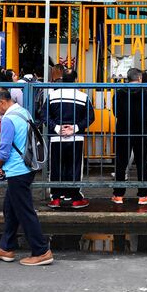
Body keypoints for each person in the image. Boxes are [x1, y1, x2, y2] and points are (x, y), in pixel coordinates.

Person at [0, 88, 53, 265]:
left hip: (17, 170)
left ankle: (41, 250)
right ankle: (6, 247)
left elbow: (5, 148)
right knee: (10, 209)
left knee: (24, 211)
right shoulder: (24, 112)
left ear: (2, 102)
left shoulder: (8, 119)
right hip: (27, 166)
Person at [40, 67, 94, 208]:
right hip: (76, 138)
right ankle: (75, 197)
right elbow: (90, 117)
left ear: (62, 79)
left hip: (56, 138)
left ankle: (56, 198)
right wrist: (75, 128)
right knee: (75, 167)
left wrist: (58, 128)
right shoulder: (83, 97)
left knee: (56, 167)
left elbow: (44, 115)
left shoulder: (53, 96)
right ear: (76, 80)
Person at [111, 67, 147, 205]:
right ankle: (143, 195)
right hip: (141, 130)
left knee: (121, 162)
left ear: (127, 78)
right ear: (140, 78)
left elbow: (116, 113)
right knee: (142, 162)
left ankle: (118, 195)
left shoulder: (118, 93)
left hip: (123, 130)